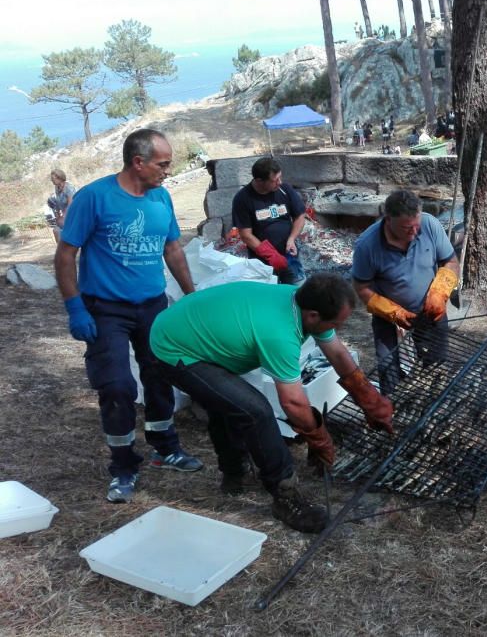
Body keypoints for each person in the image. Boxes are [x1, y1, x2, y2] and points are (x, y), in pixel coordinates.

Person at [150, 275, 393, 533]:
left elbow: (337, 352)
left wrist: (370, 400)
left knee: (228, 405)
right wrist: (320, 437)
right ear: (313, 316)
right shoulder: (280, 333)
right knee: (256, 412)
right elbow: (292, 402)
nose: (338, 329)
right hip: (175, 348)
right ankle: (285, 497)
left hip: (196, 331)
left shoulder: (304, 301)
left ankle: (234, 474)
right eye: (335, 323)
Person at [54, 129, 202, 504]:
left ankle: (164, 446)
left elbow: (172, 249)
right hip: (105, 310)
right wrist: (75, 308)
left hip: (152, 304)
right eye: (163, 163)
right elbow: (66, 253)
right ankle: (123, 465)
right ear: (138, 162)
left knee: (159, 375)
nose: (168, 171)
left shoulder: (161, 198)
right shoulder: (94, 197)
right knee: (117, 386)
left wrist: (191, 298)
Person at [351, 190, 460, 394]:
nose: (415, 232)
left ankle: (434, 404)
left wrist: (440, 293)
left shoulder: (429, 225)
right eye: (406, 228)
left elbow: (451, 262)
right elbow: (361, 287)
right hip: (388, 317)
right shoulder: (367, 246)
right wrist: (394, 313)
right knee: (388, 368)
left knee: (436, 366)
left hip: (431, 310)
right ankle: (394, 409)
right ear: (388, 219)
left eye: (416, 224)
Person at [232, 157, 307, 286]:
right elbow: (246, 235)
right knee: (269, 297)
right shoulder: (243, 199)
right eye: (274, 180)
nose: (279, 182)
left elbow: (300, 216)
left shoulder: (284, 189)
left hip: (289, 255)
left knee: (299, 292)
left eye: (280, 178)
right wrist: (270, 254)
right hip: (262, 262)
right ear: (259, 181)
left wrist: (292, 239)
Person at [46, 169, 76, 244]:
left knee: (59, 229)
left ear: (59, 178)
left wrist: (63, 218)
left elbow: (70, 205)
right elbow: (58, 204)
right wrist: (57, 216)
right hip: (65, 216)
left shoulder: (68, 187)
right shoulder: (57, 188)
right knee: (56, 230)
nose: (52, 181)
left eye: (53, 179)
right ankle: (61, 251)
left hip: (74, 215)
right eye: (51, 179)